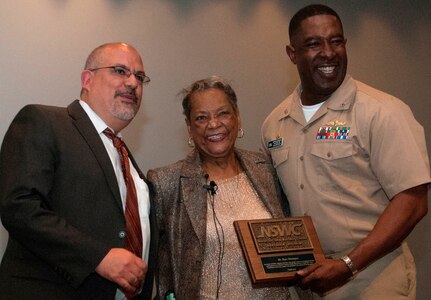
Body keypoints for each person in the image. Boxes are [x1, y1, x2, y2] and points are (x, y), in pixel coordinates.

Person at [261, 4, 430, 299]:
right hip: (310, 279)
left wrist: (348, 264)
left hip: (373, 276)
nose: (328, 52)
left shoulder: (382, 111)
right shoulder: (275, 123)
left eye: (335, 41)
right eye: (313, 44)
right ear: (292, 54)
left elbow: (413, 201)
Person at [0, 42, 157, 299]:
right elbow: (19, 206)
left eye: (139, 76)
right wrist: (99, 257)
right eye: (120, 70)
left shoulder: (125, 156)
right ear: (87, 79)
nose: (132, 82)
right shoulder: (44, 121)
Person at [147, 76, 302, 299]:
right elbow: (159, 267)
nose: (214, 124)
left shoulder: (265, 168)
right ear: (189, 128)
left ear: (237, 118)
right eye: (201, 117)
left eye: (223, 113)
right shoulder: (166, 182)